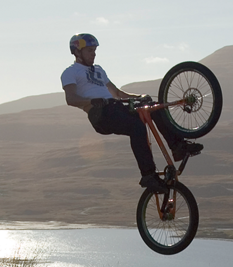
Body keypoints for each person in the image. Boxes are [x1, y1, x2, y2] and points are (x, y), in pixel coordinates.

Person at [60, 33, 202, 188]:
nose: (93, 54)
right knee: (136, 126)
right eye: (89, 51)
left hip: (115, 106)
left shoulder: (99, 70)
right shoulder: (70, 72)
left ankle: (177, 147)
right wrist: (91, 101)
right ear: (77, 52)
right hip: (100, 114)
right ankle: (148, 175)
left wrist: (139, 97)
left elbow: (118, 94)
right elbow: (71, 98)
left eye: (94, 50)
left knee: (153, 108)